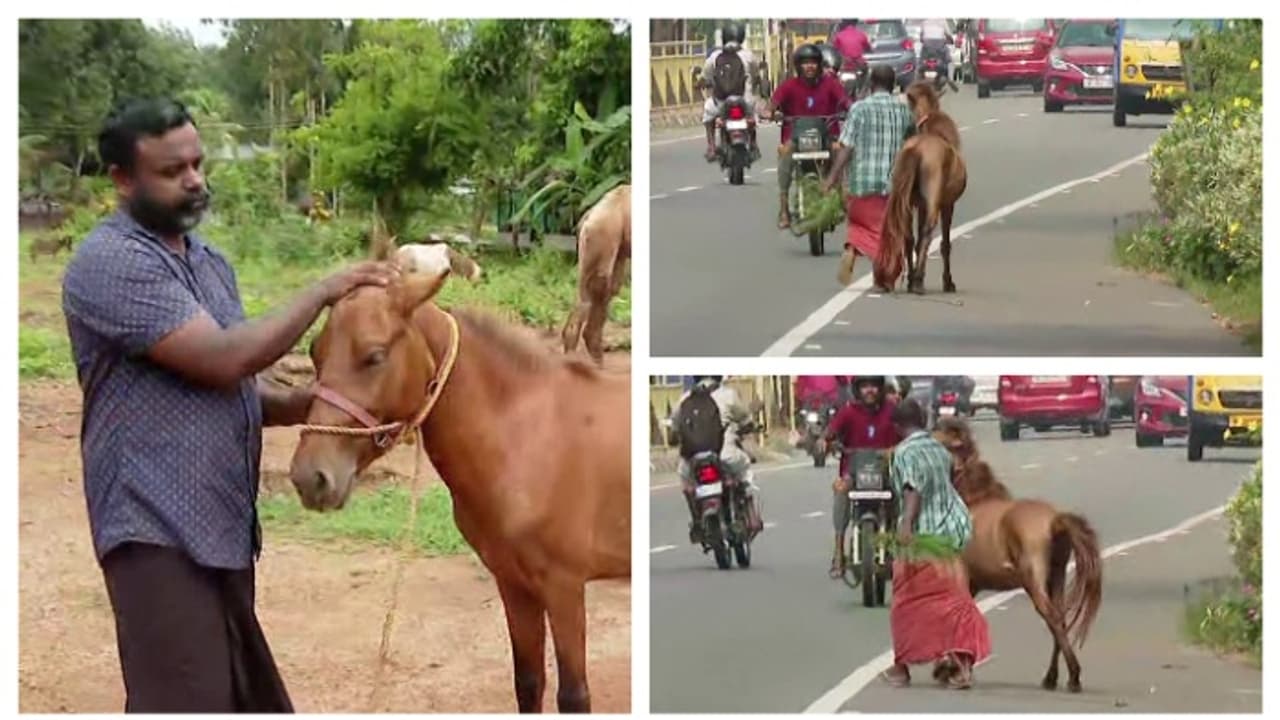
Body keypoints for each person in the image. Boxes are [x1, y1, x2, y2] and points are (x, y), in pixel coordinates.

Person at [60, 97, 399, 712]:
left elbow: (234, 385)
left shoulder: (209, 261)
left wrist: (309, 406)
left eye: (197, 163)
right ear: (122, 180)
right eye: (171, 171)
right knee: (187, 700)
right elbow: (224, 357)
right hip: (153, 528)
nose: (193, 180)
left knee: (242, 697)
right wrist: (323, 289)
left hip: (221, 525)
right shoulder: (109, 263)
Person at [883, 399, 991, 689]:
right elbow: (948, 485)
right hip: (951, 534)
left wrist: (906, 526)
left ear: (896, 426)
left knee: (906, 604)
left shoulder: (904, 452)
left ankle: (902, 668)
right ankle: (960, 666)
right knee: (954, 602)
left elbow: (912, 488)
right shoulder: (938, 450)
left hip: (924, 538)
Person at [821, 64, 916, 288]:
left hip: (861, 182)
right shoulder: (904, 110)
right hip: (893, 184)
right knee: (890, 232)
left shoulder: (859, 109)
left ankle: (854, 248)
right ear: (893, 85)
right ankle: (885, 279)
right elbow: (913, 141)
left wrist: (832, 178)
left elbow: (846, 146)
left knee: (861, 224)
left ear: (871, 84)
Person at [765, 43, 852, 229]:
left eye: (813, 62)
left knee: (840, 148)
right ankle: (784, 208)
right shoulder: (788, 86)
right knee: (784, 151)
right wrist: (769, 111)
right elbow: (773, 104)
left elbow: (845, 101)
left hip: (827, 136)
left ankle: (842, 193)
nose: (809, 66)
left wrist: (851, 109)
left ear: (819, 65)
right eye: (805, 63)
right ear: (798, 66)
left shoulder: (830, 84)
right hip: (795, 139)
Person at [824, 376, 901, 577]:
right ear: (858, 390)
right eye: (865, 386)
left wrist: (895, 450)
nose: (870, 391)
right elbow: (830, 432)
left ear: (880, 389)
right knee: (840, 489)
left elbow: (908, 435)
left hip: (888, 473)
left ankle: (902, 552)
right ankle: (839, 553)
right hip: (853, 474)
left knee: (906, 494)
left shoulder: (892, 410)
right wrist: (825, 442)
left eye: (874, 386)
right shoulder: (848, 412)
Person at [672, 376, 763, 539]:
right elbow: (745, 418)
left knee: (686, 484)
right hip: (725, 454)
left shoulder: (685, 398)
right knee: (745, 472)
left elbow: (675, 426)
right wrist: (749, 426)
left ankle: (696, 521)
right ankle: (751, 515)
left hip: (692, 459)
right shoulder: (729, 395)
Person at [701, 22, 760, 162]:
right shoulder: (749, 55)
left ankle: (711, 146)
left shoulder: (715, 56)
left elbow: (705, 76)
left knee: (708, 114)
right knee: (751, 118)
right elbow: (756, 75)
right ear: (741, 36)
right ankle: (753, 143)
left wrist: (703, 83)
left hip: (721, 101)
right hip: (744, 99)